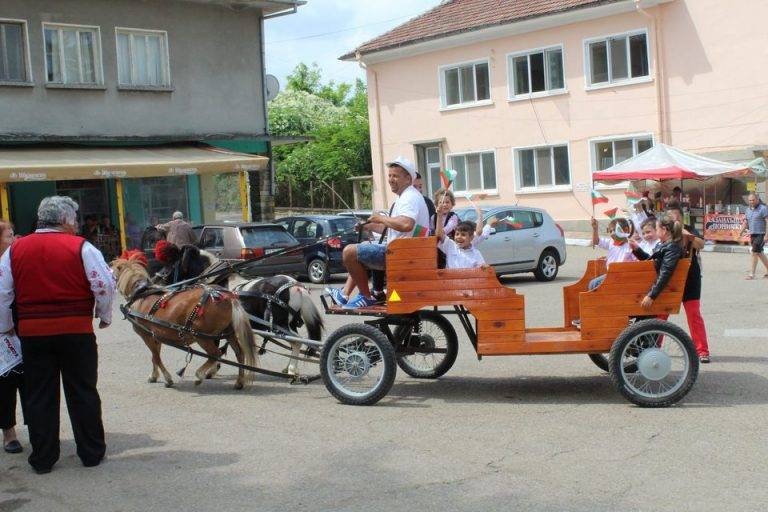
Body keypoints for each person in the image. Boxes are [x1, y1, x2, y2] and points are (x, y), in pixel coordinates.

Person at [0, 196, 115, 474]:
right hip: (76, 332)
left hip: (33, 334)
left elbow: (3, 293)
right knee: (83, 391)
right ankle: (91, 452)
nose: (76, 225)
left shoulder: (15, 250)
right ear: (64, 220)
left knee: (40, 395)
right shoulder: (82, 247)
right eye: (74, 219)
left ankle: (43, 458)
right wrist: (104, 314)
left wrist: (6, 326)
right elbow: (104, 284)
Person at [326, 157, 429, 309]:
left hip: (402, 256)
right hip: (405, 253)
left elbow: (406, 224)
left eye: (395, 176)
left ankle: (366, 296)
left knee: (349, 252)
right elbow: (394, 228)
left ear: (408, 178)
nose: (391, 180)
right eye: (390, 175)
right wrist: (369, 226)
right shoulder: (407, 197)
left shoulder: (409, 197)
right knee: (362, 247)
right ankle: (346, 294)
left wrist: (380, 218)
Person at [666, 202, 710, 363]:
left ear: (682, 217)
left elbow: (701, 245)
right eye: (671, 217)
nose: (674, 219)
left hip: (691, 277)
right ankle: (653, 347)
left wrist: (683, 231)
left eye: (677, 216)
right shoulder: (664, 231)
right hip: (670, 278)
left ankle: (702, 351)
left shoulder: (690, 229)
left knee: (694, 314)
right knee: (661, 313)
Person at [0, 220, 24, 454]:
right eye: (9, 236)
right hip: (2, 332)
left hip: (22, 326)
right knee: (5, 383)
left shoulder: (17, 260)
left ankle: (38, 428)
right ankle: (9, 432)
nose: (14, 239)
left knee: (29, 379)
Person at [629, 214, 684, 311]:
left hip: (664, 288)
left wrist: (651, 295)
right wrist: (637, 250)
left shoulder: (672, 247)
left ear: (664, 230)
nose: (656, 231)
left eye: (657, 229)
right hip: (655, 284)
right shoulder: (663, 244)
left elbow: (665, 273)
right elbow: (651, 261)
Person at [588, 217, 637, 290]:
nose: (612, 234)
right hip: (611, 274)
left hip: (622, 276)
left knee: (594, 283)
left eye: (615, 230)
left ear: (626, 230)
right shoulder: (611, 242)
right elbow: (596, 241)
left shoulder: (631, 245)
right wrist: (595, 229)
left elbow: (637, 263)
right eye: (610, 231)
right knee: (592, 284)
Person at [742, 193, 768, 280]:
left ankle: (752, 274)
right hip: (753, 234)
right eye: (750, 200)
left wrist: (766, 235)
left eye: (753, 200)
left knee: (754, 252)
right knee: (760, 253)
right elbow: (746, 222)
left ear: (757, 199)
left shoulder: (763, 208)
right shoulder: (748, 210)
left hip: (761, 234)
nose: (751, 202)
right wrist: (741, 231)